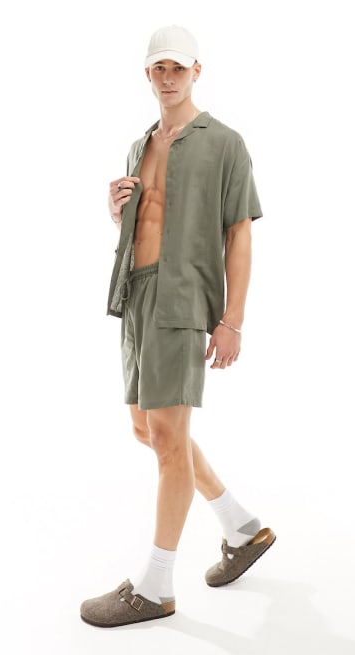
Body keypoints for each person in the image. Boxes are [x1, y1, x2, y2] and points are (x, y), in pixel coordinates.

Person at [80, 24, 276, 628]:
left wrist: (232, 321)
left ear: (197, 72)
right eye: (158, 68)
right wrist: (117, 211)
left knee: (168, 438)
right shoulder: (139, 145)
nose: (168, 78)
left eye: (178, 68)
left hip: (183, 302)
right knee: (147, 428)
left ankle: (156, 586)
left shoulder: (226, 144)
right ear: (147, 74)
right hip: (135, 295)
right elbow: (146, 227)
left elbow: (239, 234)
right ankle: (241, 527)